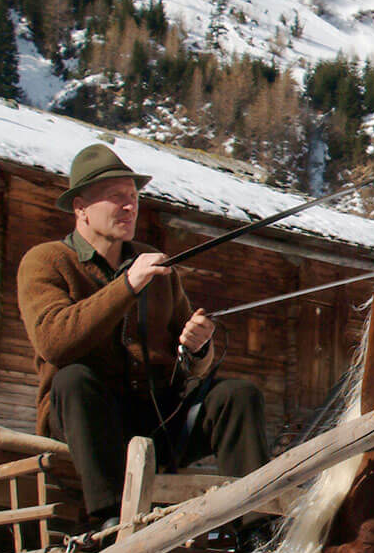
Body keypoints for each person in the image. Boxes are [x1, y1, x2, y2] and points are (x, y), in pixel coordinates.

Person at [18, 143, 270, 527]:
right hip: (89, 425)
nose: (129, 206)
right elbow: (55, 342)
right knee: (73, 379)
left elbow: (191, 362)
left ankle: (257, 528)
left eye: (133, 198)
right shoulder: (47, 261)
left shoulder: (154, 264)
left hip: (156, 421)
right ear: (80, 208)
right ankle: (110, 523)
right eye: (115, 198)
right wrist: (127, 285)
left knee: (237, 395)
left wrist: (197, 347)